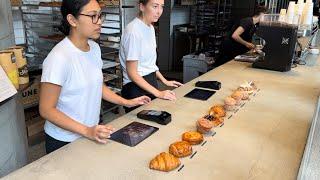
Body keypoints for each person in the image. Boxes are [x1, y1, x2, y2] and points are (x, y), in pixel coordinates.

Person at [39, 0, 151, 154]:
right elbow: (46, 109)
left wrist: (126, 102)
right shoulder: (58, 58)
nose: (99, 22)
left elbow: (98, 85)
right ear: (72, 20)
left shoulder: (94, 48)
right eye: (93, 16)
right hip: (63, 140)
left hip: (91, 131)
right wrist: (86, 130)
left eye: (100, 15)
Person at [119, 0, 183, 112]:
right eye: (155, 6)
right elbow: (132, 73)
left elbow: (149, 65)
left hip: (150, 82)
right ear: (142, 6)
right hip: (135, 87)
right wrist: (158, 93)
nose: (159, 11)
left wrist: (165, 81)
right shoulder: (133, 31)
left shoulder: (150, 28)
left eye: (161, 7)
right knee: (141, 127)